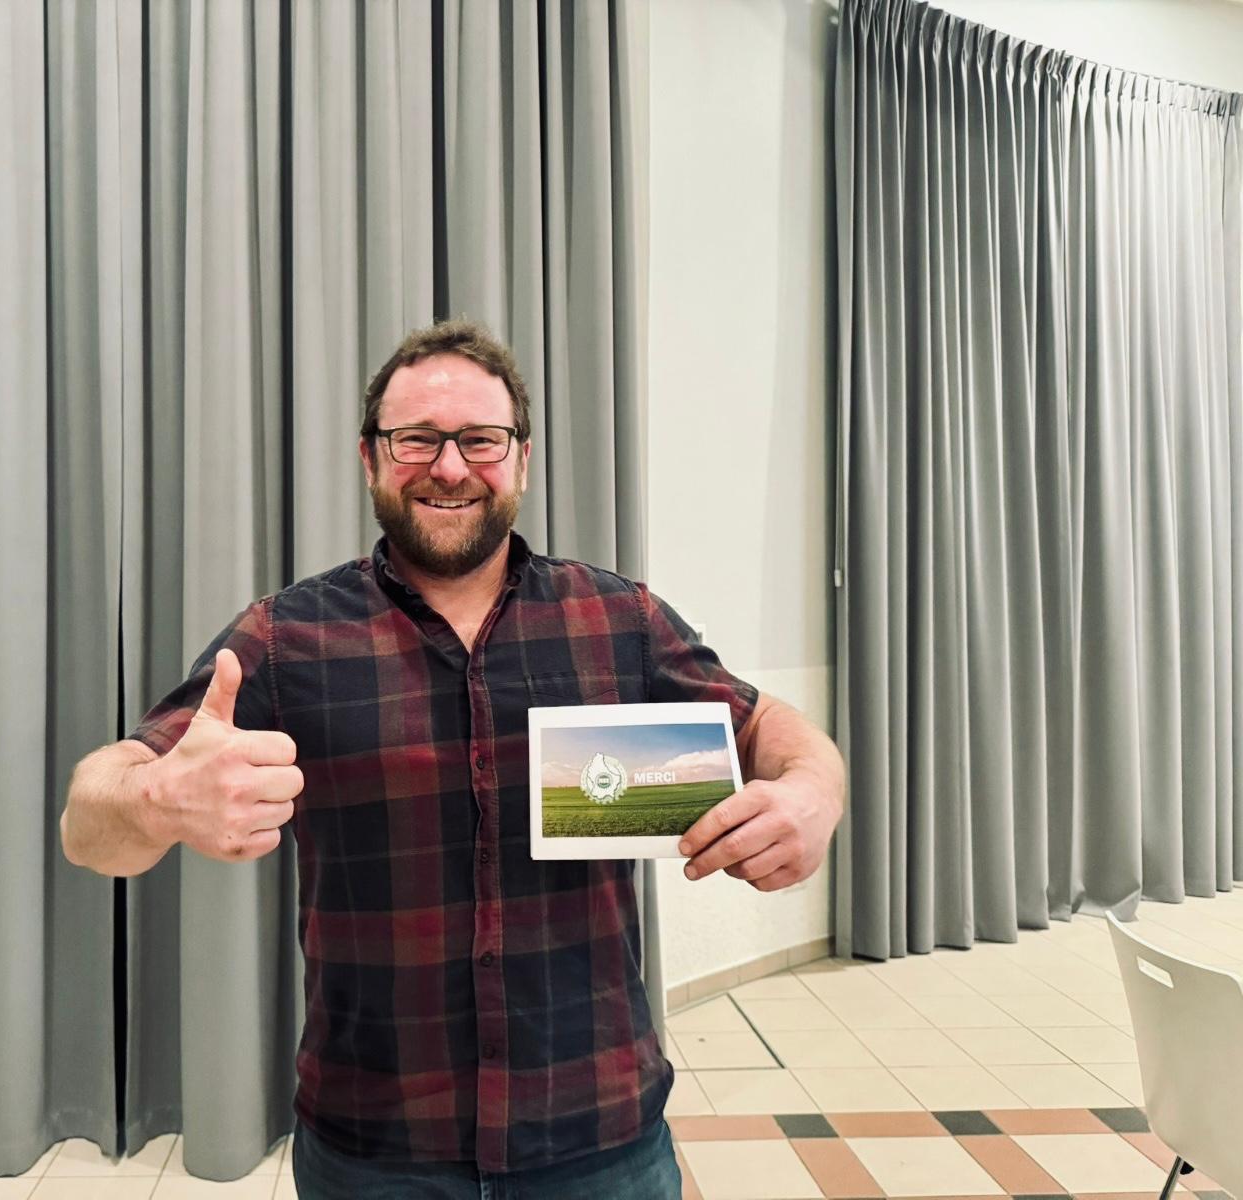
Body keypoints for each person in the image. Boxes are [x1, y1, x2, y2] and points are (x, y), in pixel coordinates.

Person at [60, 318, 845, 1199]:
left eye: (480, 439)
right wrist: (159, 800)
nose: (448, 466)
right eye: (416, 440)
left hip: (602, 1141)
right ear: (369, 459)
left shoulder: (618, 620)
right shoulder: (285, 639)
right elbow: (88, 825)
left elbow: (767, 725)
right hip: (374, 1153)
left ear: (521, 460)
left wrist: (812, 793)